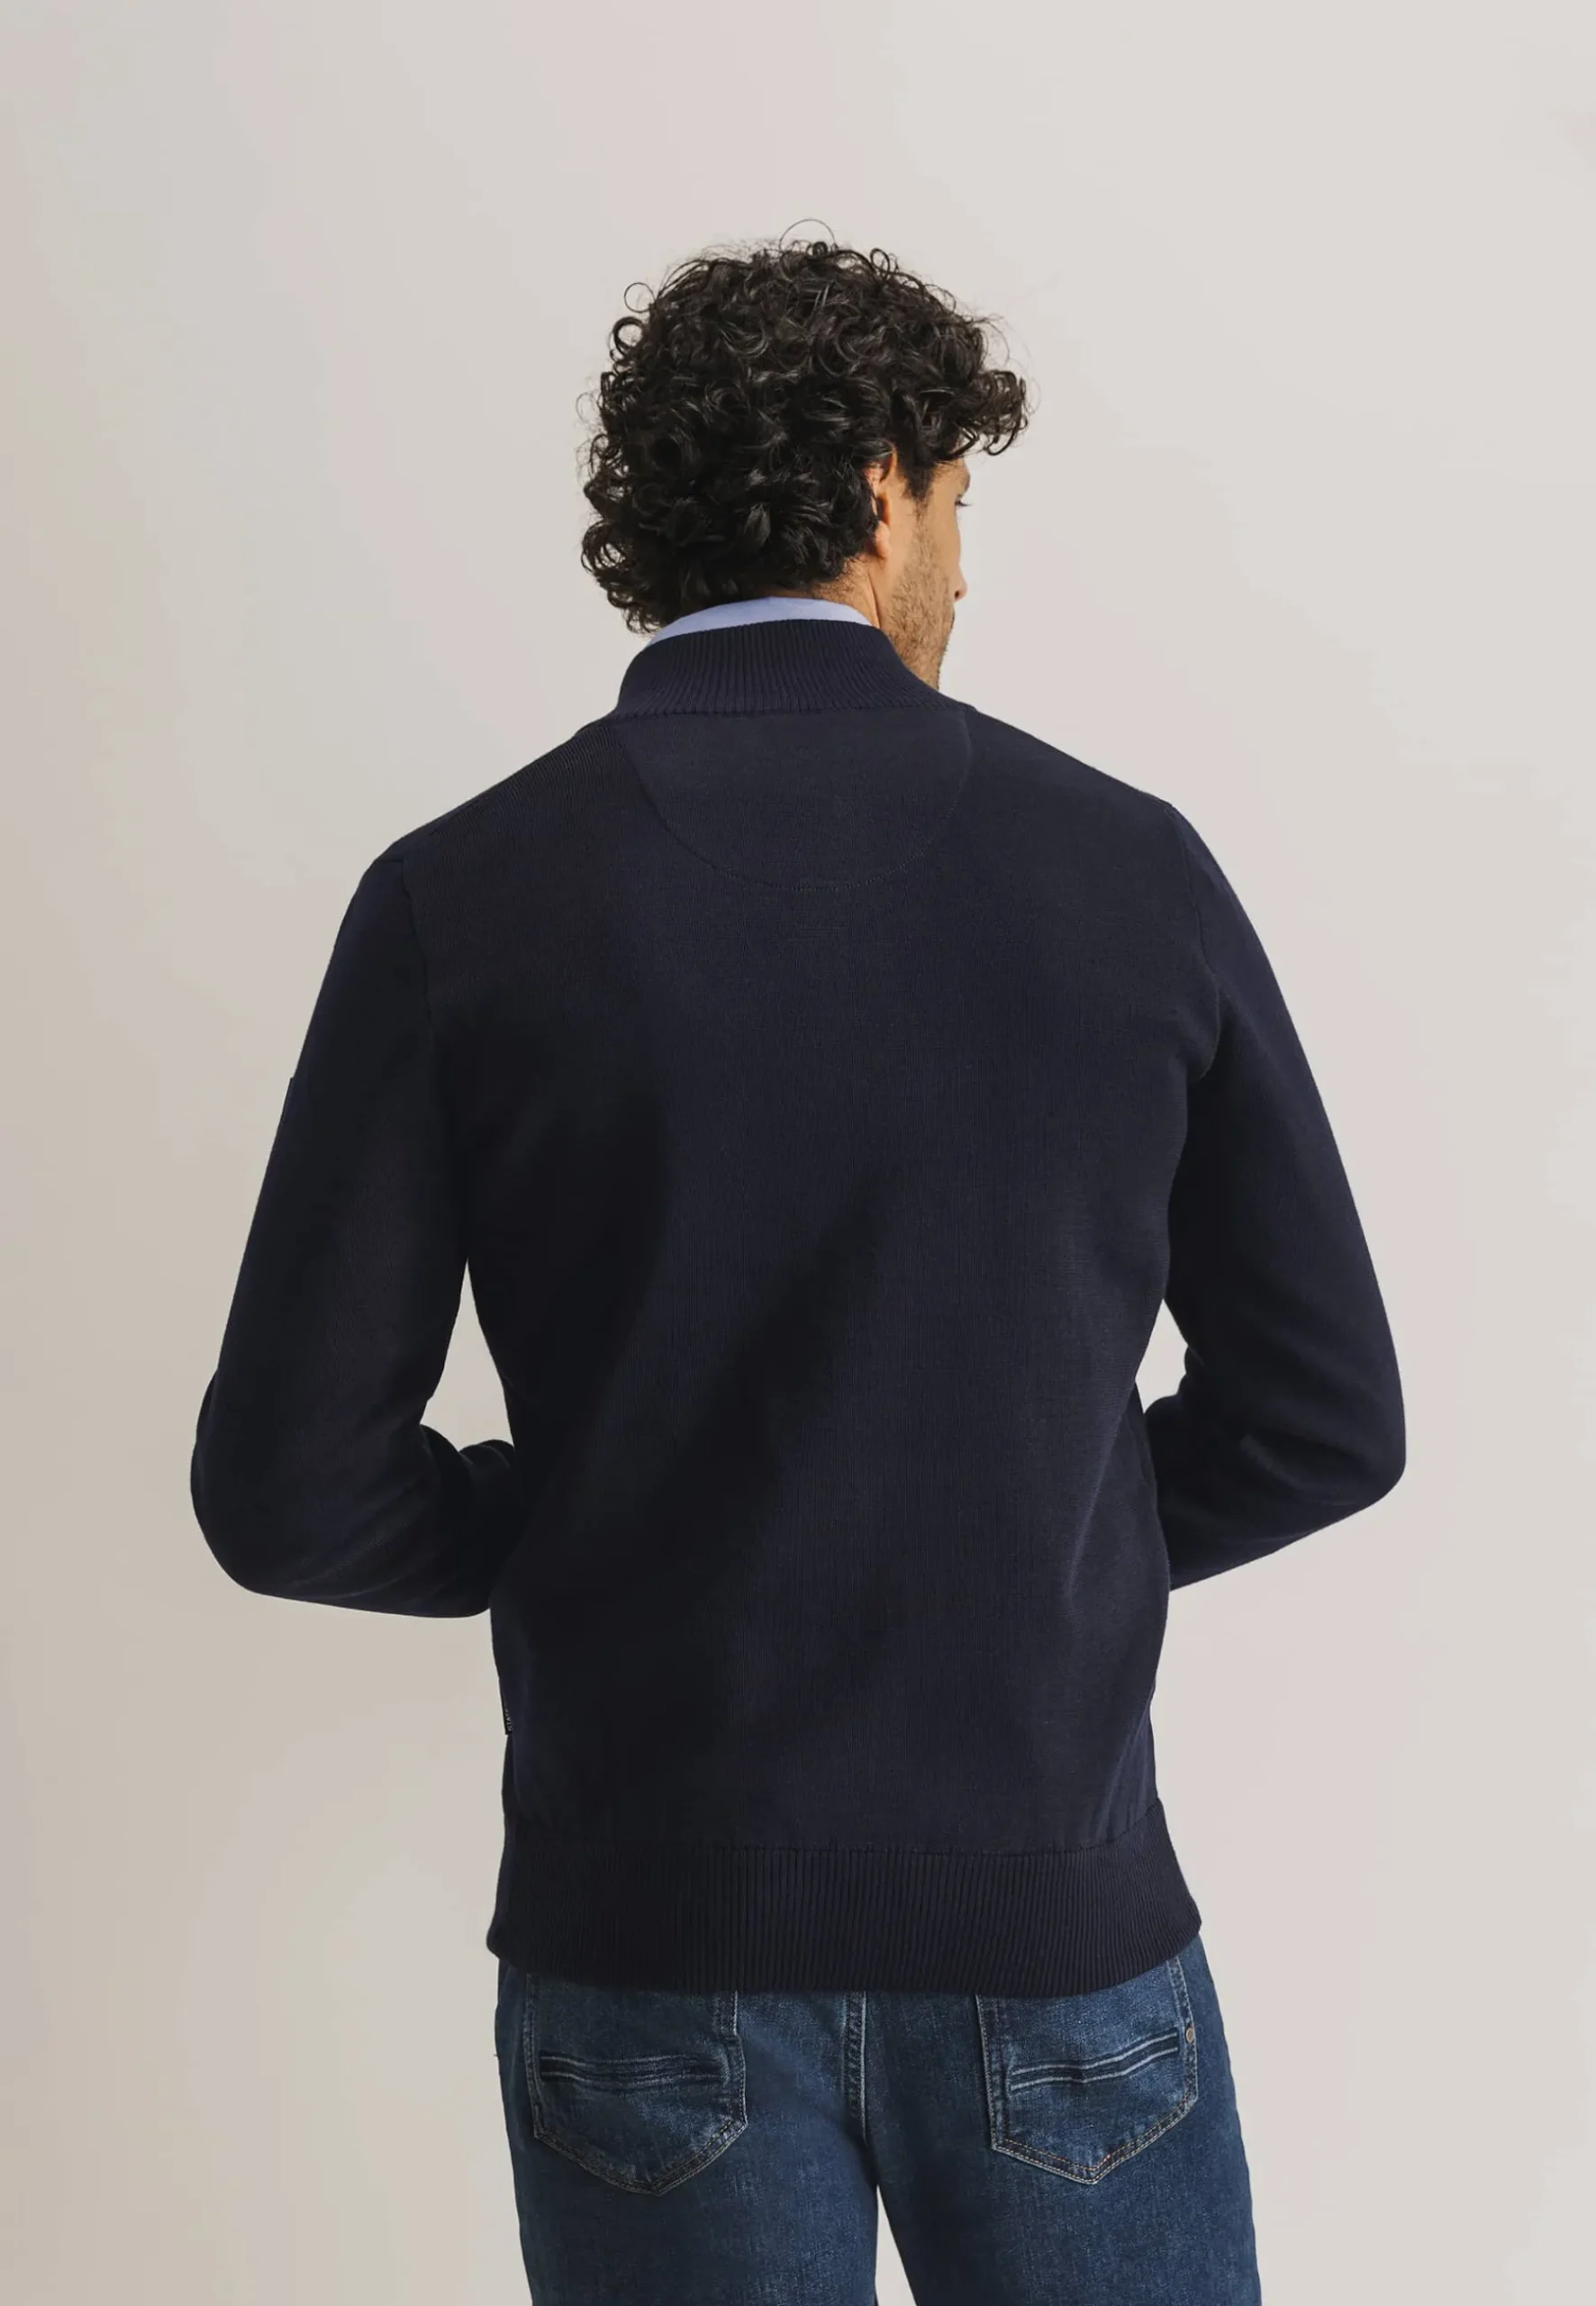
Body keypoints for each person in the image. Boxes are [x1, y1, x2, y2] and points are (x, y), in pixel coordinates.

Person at [190, 234, 1405, 2304]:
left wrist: (588, 1524)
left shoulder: (460, 895)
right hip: (1052, 1923)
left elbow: (289, 1491)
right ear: (877, 487)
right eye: (956, 501)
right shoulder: (1127, 869)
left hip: (649, 1934)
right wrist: (1035, 1537)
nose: (963, 567)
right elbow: (1323, 1418)